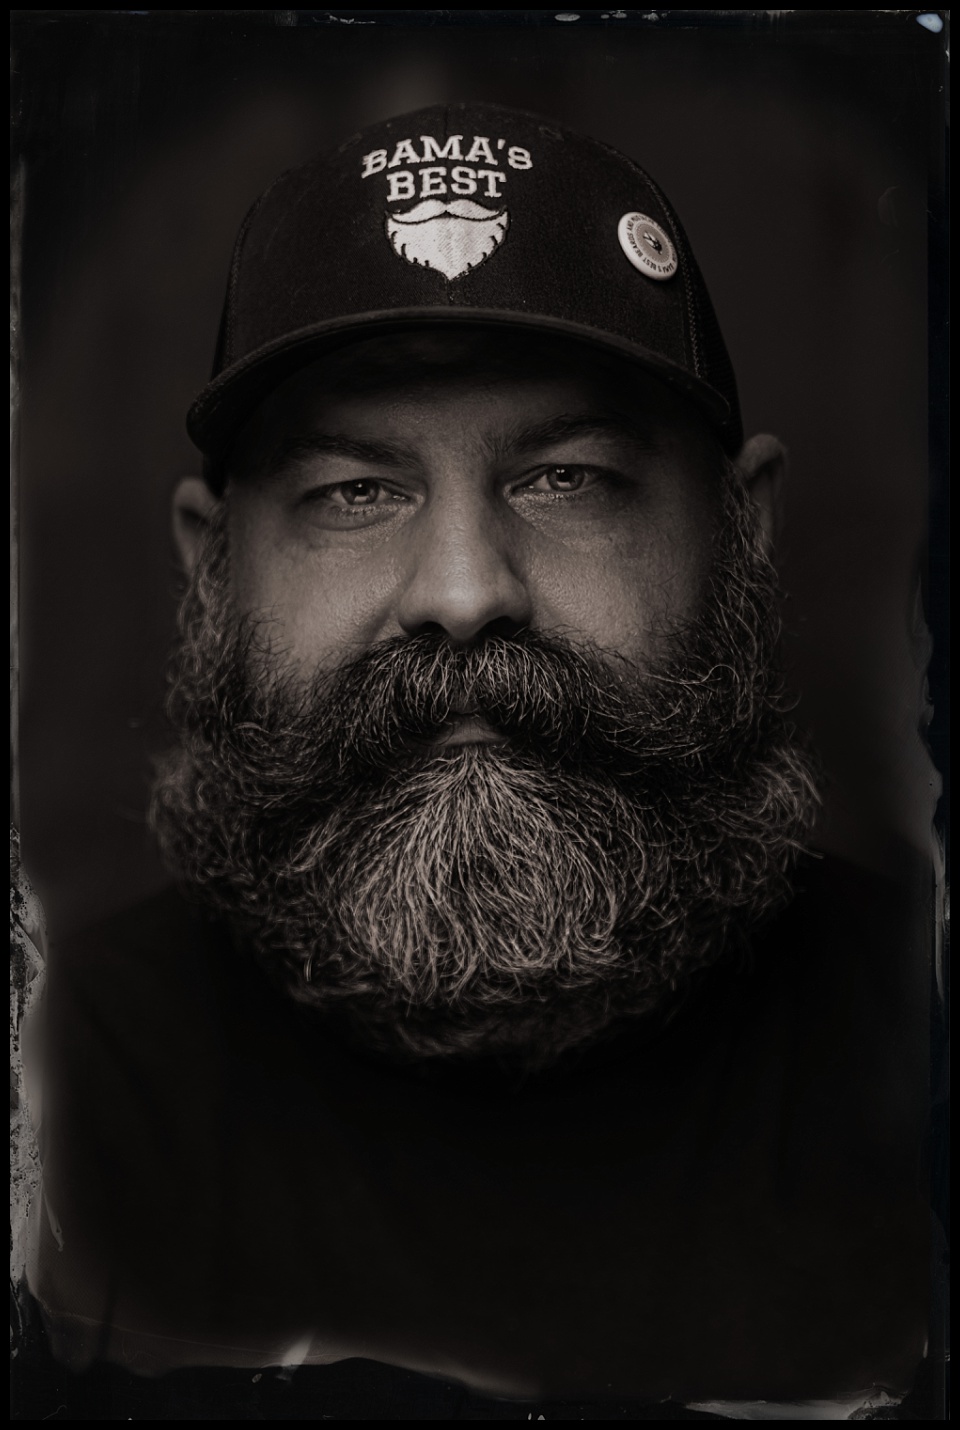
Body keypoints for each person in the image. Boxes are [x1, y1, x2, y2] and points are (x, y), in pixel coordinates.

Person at [25, 102, 931, 1413]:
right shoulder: (56, 1107)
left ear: (745, 527)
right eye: (353, 490)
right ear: (210, 566)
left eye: (568, 477)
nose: (462, 590)